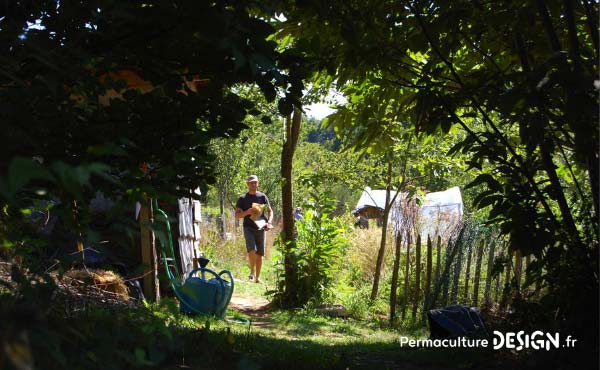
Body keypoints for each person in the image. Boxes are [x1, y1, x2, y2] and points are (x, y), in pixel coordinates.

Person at [235, 175, 273, 283]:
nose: (253, 184)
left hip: (261, 227)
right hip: (248, 227)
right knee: (252, 249)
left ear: (258, 183)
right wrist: (247, 212)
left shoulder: (262, 197)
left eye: (255, 182)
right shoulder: (243, 198)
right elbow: (237, 215)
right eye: (251, 183)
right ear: (247, 184)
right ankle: (252, 273)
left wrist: (269, 222)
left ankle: (258, 277)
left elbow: (270, 211)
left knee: (260, 253)